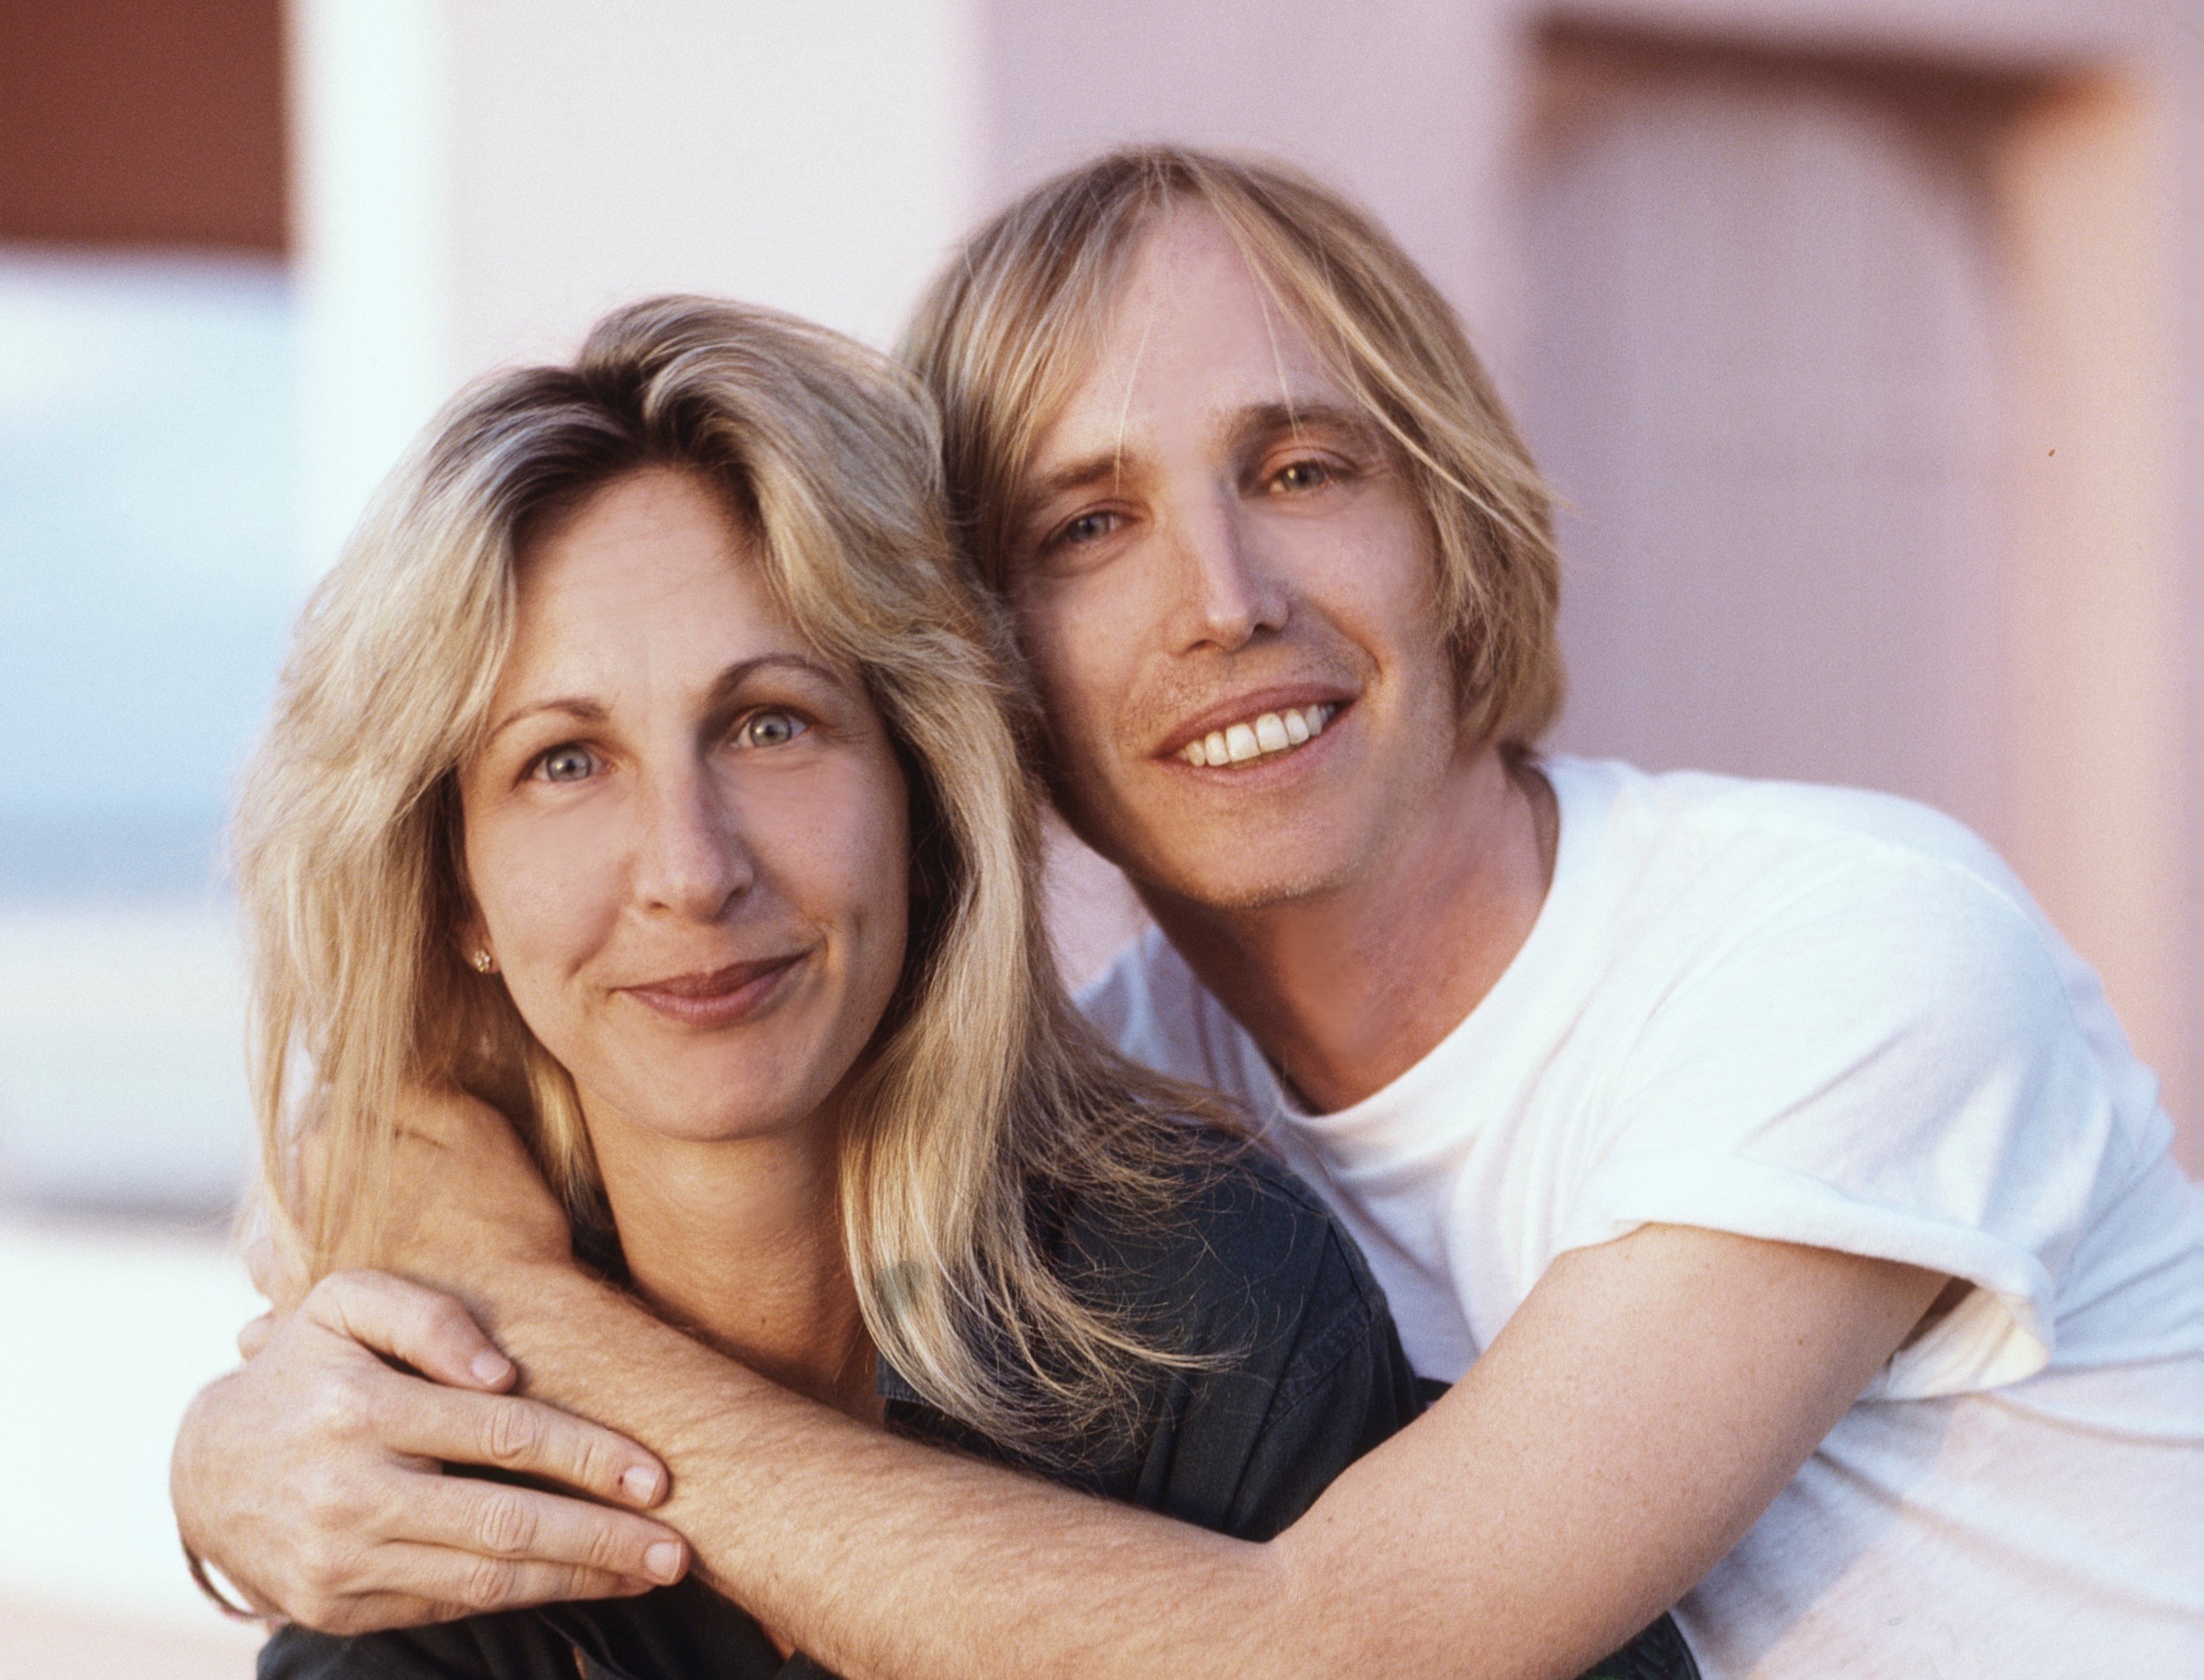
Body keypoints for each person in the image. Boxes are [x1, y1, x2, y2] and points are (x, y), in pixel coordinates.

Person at [174, 150, 2203, 1677]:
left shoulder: (1837, 952)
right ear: (980, 668)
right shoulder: (1119, 1109)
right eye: (1087, 524)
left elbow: (1333, 1647)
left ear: (1450, 517)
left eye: (1302, 466)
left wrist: (528, 1337)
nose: (1220, 595)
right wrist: (240, 1454)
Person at [200, 293, 1689, 1680]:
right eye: (565, 762)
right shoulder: (411, 1427)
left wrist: (536, 1321)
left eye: (771, 724)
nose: (690, 866)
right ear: (456, 885)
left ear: (921, 791)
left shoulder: (1193, 1311)